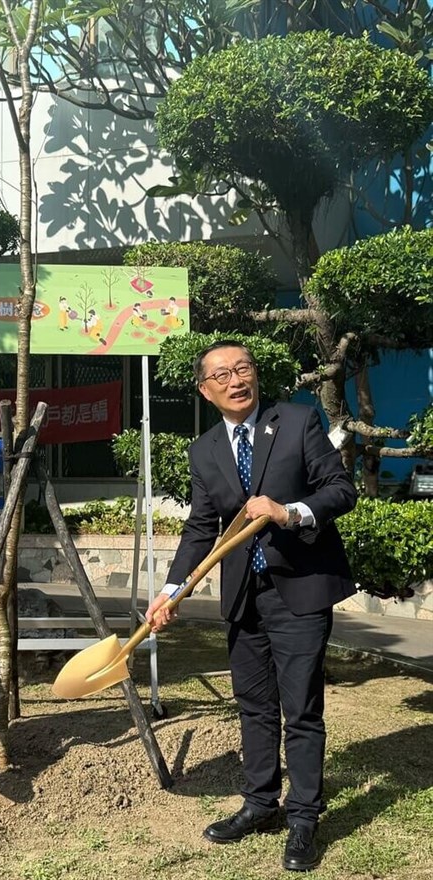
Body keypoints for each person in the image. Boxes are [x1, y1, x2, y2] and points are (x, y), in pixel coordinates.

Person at [146, 340, 356, 873]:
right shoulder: (205, 449)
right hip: (243, 596)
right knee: (254, 706)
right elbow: (202, 528)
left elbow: (340, 489)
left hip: (299, 592)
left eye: (243, 369)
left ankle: (304, 816)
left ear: (255, 375)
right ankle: (260, 803)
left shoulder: (297, 422)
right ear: (205, 390)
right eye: (222, 374)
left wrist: (290, 512)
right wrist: (172, 589)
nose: (236, 380)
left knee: (300, 709)